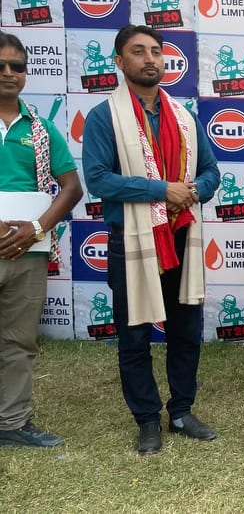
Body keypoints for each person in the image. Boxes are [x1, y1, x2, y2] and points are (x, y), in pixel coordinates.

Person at [82, 24, 221, 455]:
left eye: (156, 52)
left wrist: (193, 190)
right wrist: (164, 190)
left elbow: (212, 173)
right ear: (119, 62)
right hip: (133, 242)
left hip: (181, 236)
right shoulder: (105, 116)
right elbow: (98, 179)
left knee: (186, 331)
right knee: (135, 335)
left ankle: (181, 411)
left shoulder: (184, 117)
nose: (150, 59)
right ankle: (147, 419)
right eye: (138, 51)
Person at [0, 31, 82, 448]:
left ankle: (11, 423)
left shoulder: (42, 129)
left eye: (17, 66)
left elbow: (71, 187)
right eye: (0, 65)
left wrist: (36, 227)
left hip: (27, 252)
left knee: (18, 340)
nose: (9, 73)